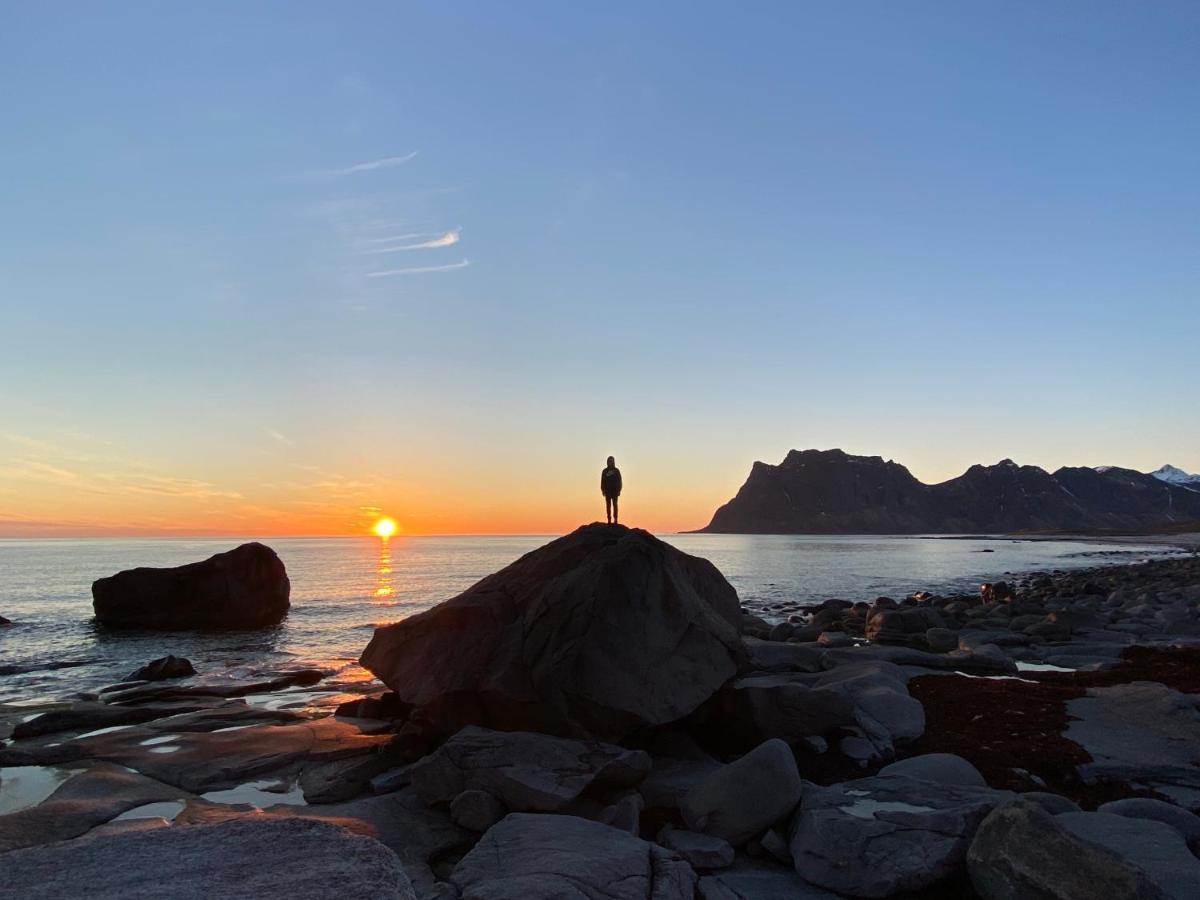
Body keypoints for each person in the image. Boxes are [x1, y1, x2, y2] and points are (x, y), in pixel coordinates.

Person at [600, 456, 622, 524]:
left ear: (614, 462)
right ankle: (609, 519)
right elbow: (602, 481)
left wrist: (619, 490)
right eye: (609, 461)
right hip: (607, 491)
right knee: (608, 505)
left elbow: (619, 481)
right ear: (607, 462)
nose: (610, 462)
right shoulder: (605, 471)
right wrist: (603, 490)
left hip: (615, 491)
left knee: (615, 505)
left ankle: (615, 519)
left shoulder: (616, 471)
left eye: (612, 461)